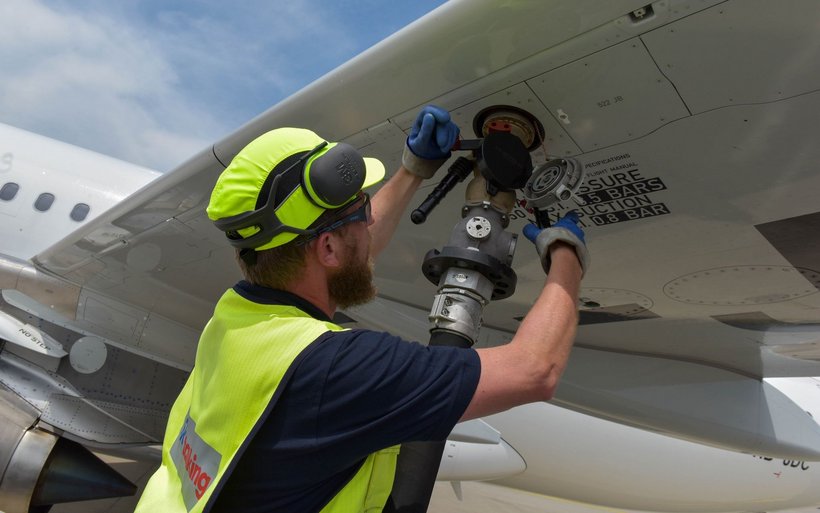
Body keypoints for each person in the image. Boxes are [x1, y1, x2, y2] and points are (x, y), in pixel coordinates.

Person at [134, 105, 587, 513]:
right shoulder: (337, 369)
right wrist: (566, 256)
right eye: (361, 213)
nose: (371, 219)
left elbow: (351, 258)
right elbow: (534, 369)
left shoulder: (240, 315)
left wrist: (413, 170)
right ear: (327, 248)